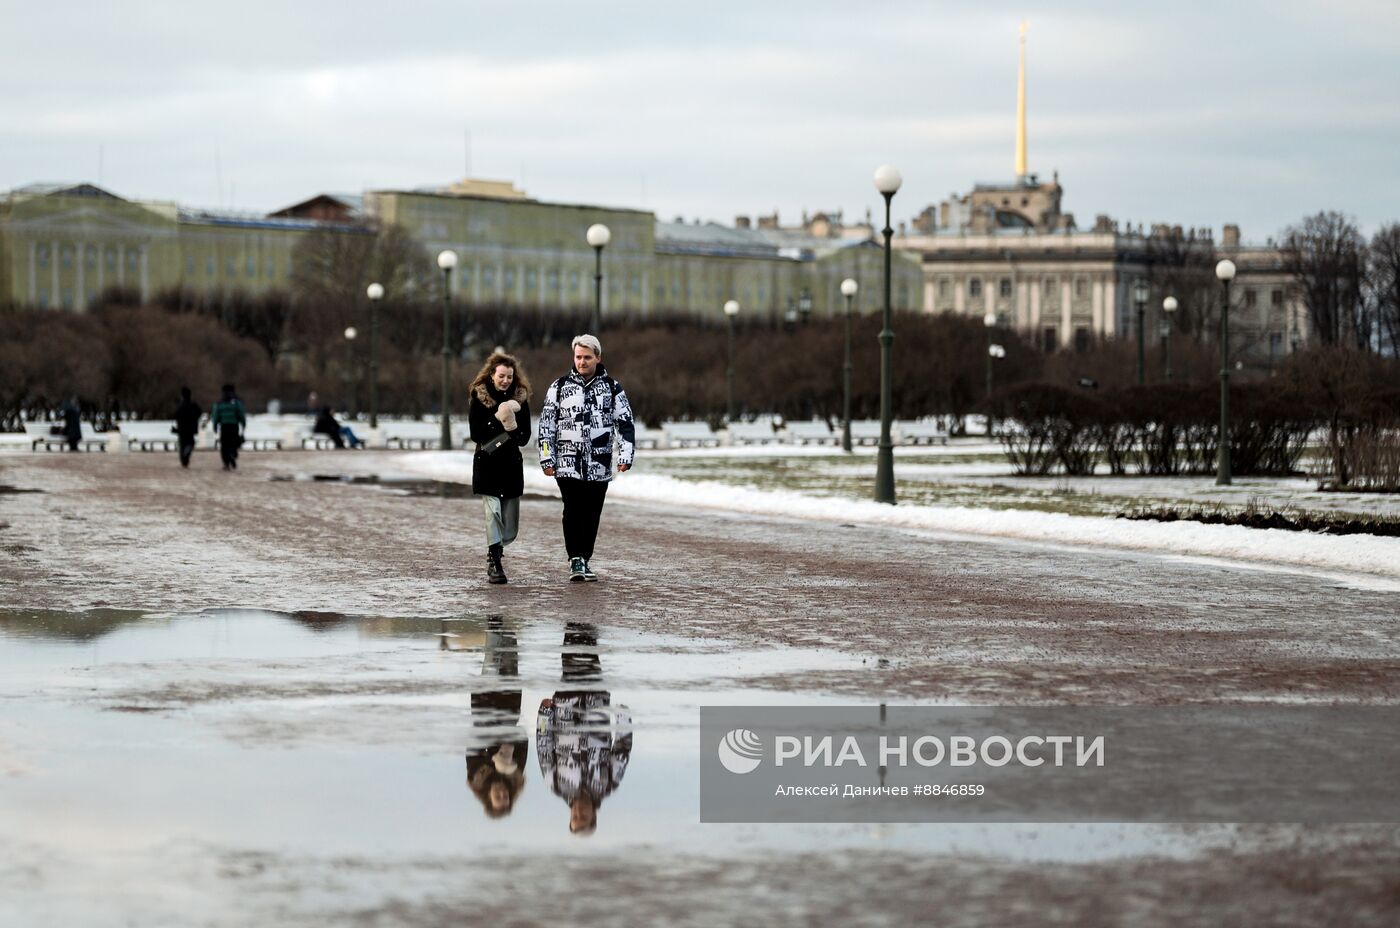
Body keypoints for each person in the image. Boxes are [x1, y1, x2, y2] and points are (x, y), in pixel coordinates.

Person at [536, 335, 635, 582]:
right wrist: (547, 459)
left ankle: (585, 558)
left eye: (587, 357)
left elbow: (625, 423)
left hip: (599, 464)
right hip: (567, 462)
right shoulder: (559, 386)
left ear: (597, 358)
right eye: (578, 357)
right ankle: (575, 559)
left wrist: (625, 454)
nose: (582, 362)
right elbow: (546, 425)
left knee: (592, 512)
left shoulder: (613, 388)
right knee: (573, 509)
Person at [536, 623, 632, 835]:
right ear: (594, 816)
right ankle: (588, 617)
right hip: (595, 702)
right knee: (590, 655)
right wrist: (623, 718)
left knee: (570, 654)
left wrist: (544, 714)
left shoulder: (556, 785)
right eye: (584, 817)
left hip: (566, 704)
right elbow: (622, 750)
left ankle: (574, 618)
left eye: (575, 817)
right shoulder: (608, 785)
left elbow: (544, 747)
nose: (579, 812)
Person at [468, 352, 532, 584]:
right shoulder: (479, 397)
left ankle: (498, 548)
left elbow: (524, 438)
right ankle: (494, 560)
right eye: (501, 376)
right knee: (491, 512)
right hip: (487, 462)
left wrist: (512, 421)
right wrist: (499, 417)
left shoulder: (521, 400)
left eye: (509, 376)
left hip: (511, 465)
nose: (505, 380)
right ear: (492, 376)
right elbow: (476, 433)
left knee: (510, 524)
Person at [209, 384, 246, 470]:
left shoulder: (219, 403)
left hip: (224, 426)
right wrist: (243, 424)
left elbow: (216, 415)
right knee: (234, 443)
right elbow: (241, 414)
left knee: (224, 445)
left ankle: (226, 463)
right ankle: (232, 454)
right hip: (234, 426)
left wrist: (215, 426)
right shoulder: (236, 403)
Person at [173, 387, 202, 468]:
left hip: (182, 428)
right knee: (190, 442)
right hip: (191, 428)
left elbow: (176, 415)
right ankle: (187, 453)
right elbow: (199, 412)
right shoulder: (193, 404)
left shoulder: (180, 405)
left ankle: (184, 460)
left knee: (182, 444)